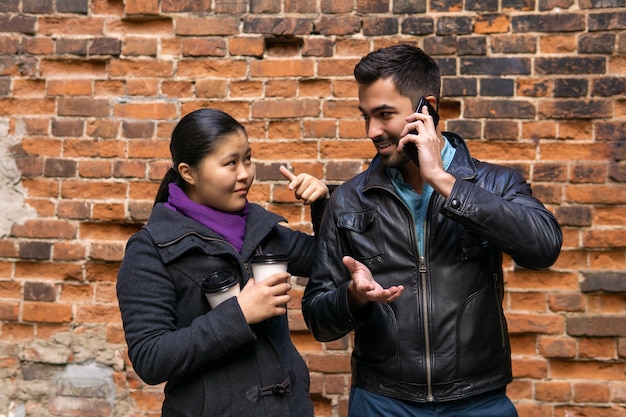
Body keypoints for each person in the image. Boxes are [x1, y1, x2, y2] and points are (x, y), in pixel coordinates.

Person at [302, 44, 563, 417]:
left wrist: (445, 181)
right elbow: (317, 319)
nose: (372, 131)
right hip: (382, 402)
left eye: (384, 115)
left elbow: (544, 248)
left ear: (427, 107)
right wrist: (354, 297)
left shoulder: (494, 183)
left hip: (479, 401)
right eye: (366, 116)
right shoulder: (347, 200)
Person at [116, 107, 329, 417]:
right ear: (189, 172)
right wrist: (239, 314)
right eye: (230, 163)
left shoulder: (261, 229)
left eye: (248, 159)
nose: (245, 174)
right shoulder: (151, 249)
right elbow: (151, 358)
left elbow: (328, 260)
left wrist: (324, 205)